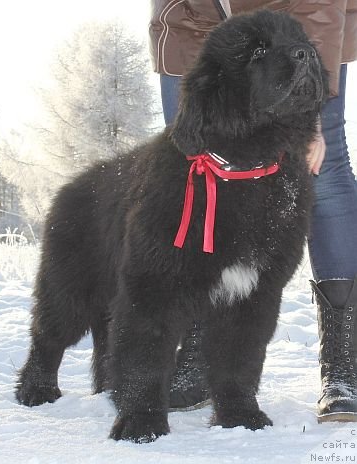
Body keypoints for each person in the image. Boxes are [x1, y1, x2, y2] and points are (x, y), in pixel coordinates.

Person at [149, 0, 357, 422]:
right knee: (197, 167)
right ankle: (200, 347)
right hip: (195, 17)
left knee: (323, 168)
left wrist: (309, 105)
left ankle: (344, 365)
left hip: (301, 16)